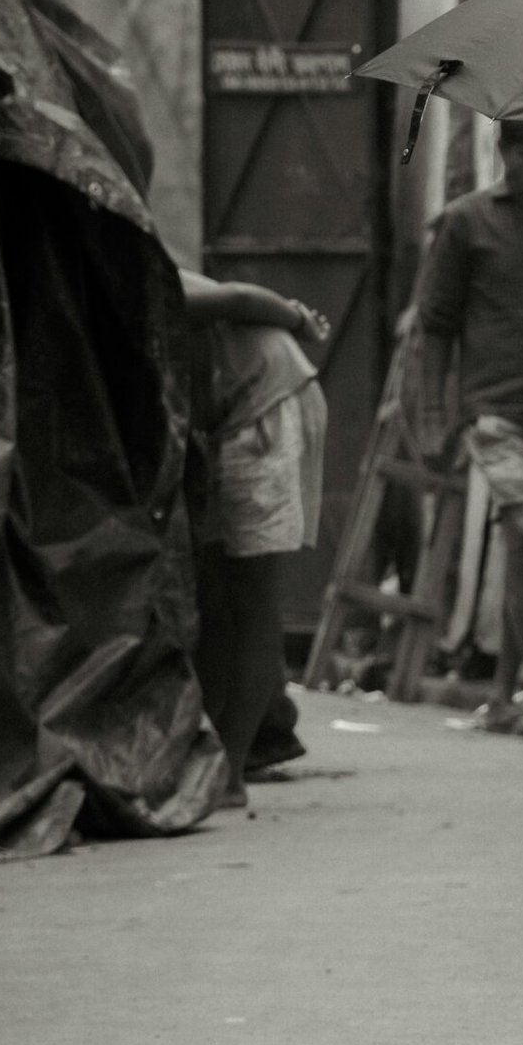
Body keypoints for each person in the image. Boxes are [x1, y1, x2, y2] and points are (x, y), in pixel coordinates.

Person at [420, 121, 523, 739]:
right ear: (503, 152)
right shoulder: (466, 222)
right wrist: (432, 416)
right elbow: (435, 323)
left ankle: (504, 692)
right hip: (490, 408)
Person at [181, 272, 330, 809]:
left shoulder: (141, 272)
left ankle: (235, 768)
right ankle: (224, 754)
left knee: (250, 592)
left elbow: (240, 298)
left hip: (268, 408)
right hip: (236, 414)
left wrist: (296, 316)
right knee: (219, 593)